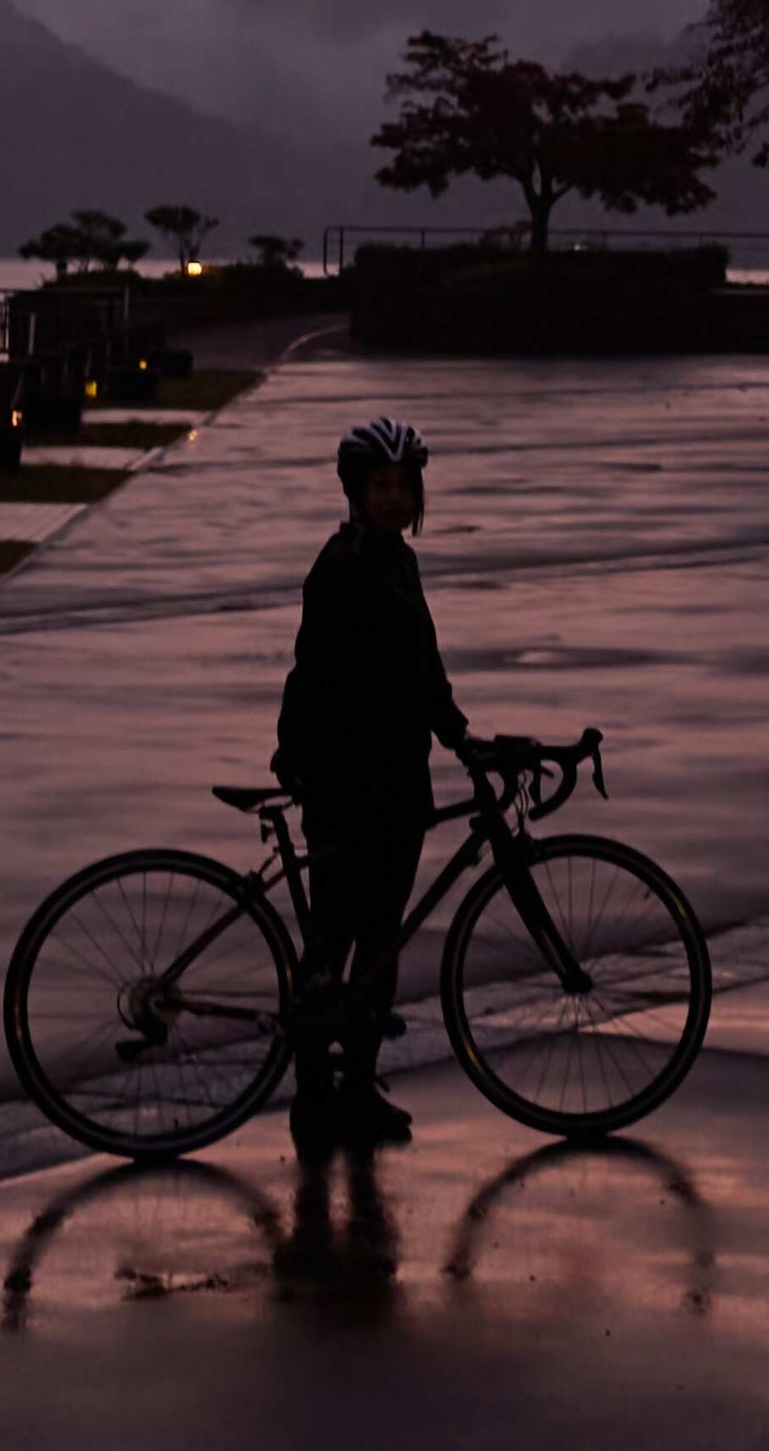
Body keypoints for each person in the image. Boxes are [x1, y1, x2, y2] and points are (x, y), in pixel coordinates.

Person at [273, 414, 471, 1149]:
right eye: (381, 485)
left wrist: (457, 733)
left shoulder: (397, 562)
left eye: (404, 485)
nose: (395, 497)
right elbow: (311, 669)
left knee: (378, 936)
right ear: (356, 492)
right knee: (338, 935)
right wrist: (297, 755)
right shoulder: (345, 564)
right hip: (348, 778)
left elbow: (424, 664)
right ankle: (316, 1088)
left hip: (397, 775)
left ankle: (353, 1084)